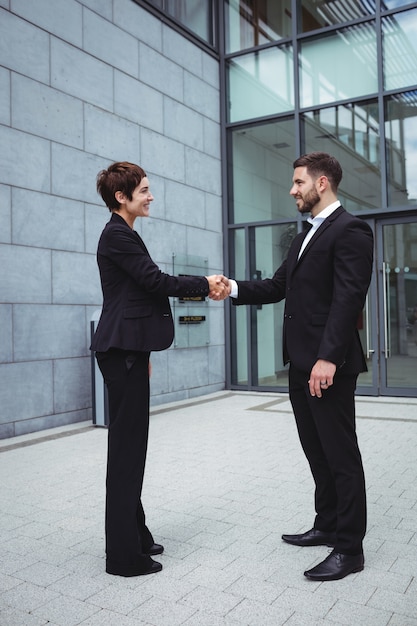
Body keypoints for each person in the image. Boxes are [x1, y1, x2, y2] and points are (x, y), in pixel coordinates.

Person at [221, 152, 374, 581]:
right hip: (301, 364)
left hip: (328, 366)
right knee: (317, 451)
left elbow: (348, 299)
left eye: (298, 182)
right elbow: (276, 286)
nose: (293, 190)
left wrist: (328, 357)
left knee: (341, 455)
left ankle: (350, 550)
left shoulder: (351, 230)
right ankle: (327, 524)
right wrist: (230, 287)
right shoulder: (305, 234)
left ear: (321, 183)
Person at [91, 161, 227, 577]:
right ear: (122, 196)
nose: (151, 196)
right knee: (127, 453)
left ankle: (138, 537)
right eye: (144, 190)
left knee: (132, 449)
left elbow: (138, 293)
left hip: (130, 352)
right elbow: (155, 281)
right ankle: (123, 557)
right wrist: (205, 284)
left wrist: (143, 355)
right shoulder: (118, 235)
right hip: (123, 352)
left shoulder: (125, 234)